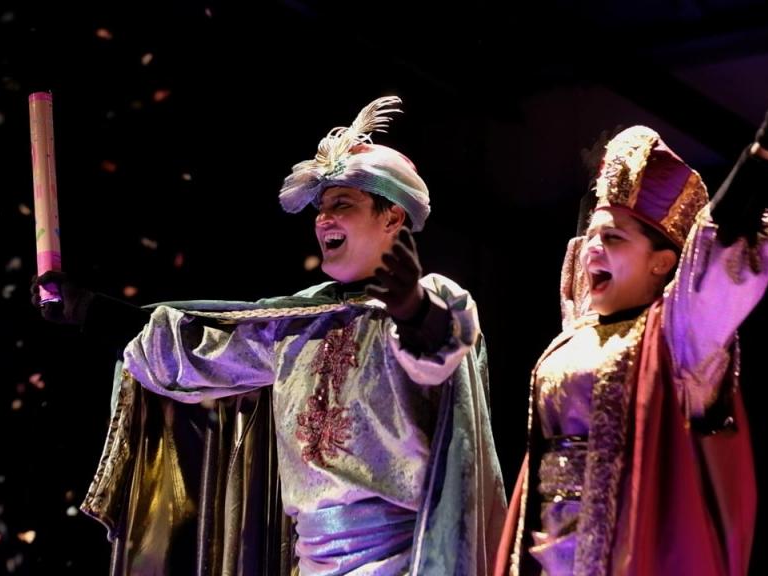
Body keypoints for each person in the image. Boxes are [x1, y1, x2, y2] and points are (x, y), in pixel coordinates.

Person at [34, 96, 506, 575]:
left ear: (392, 218)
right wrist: (88, 308)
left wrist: (411, 309)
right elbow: (196, 348)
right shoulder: (296, 323)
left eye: (342, 204)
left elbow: (442, 344)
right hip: (312, 562)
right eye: (320, 208)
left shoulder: (432, 300)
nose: (323, 219)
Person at [496, 68, 768, 576]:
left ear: (662, 262)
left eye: (614, 239)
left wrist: (761, 155)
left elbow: (716, 251)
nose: (593, 249)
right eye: (592, 237)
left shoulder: (674, 339)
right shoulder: (579, 329)